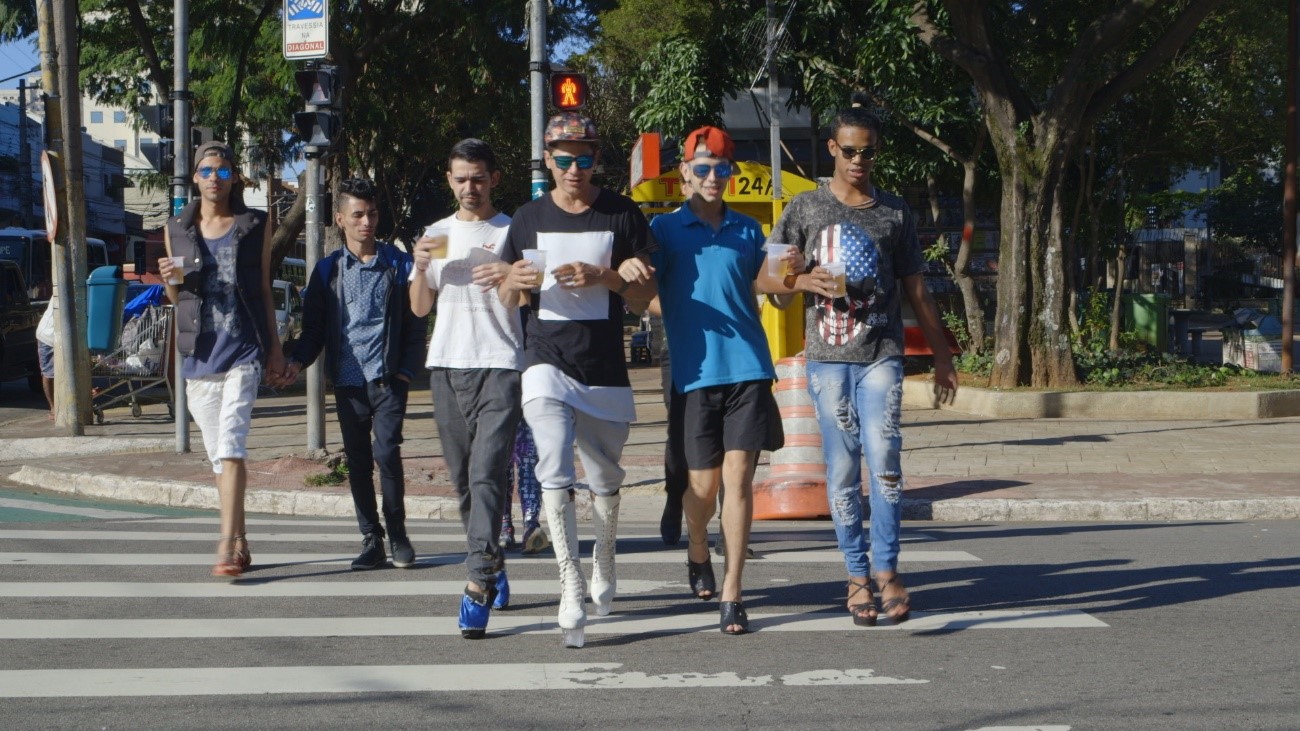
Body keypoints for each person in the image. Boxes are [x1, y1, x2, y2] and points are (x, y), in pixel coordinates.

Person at [758, 107, 958, 625]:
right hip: (826, 361)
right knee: (843, 470)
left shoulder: (894, 213)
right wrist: (798, 281)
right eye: (849, 151)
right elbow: (765, 280)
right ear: (832, 149)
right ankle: (855, 575)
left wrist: (940, 354)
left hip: (881, 353)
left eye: (868, 151)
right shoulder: (804, 209)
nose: (859, 161)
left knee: (886, 463)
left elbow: (916, 288)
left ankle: (888, 569)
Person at [498, 112, 657, 648]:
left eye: (584, 159)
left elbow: (646, 296)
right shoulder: (525, 218)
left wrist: (607, 276)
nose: (573, 169)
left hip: (606, 367)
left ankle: (604, 554)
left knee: (606, 477)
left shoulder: (621, 213)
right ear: (548, 159)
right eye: (563, 159)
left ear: (596, 160)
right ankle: (568, 580)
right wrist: (514, 281)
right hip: (544, 359)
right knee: (552, 461)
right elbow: (509, 295)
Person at [649, 126, 784, 635]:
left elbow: (775, 288)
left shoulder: (749, 231)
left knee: (739, 481)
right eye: (702, 167)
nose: (712, 177)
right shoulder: (663, 230)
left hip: (748, 366)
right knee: (702, 489)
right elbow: (642, 295)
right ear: (684, 172)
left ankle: (733, 593)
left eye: (721, 168)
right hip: (695, 373)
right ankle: (697, 546)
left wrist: (796, 282)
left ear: (731, 173)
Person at [409, 139, 523, 639]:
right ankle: (492, 561)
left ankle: (477, 584)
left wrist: (505, 273)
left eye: (477, 177)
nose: (469, 187)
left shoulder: (513, 230)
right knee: (462, 481)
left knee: (486, 475)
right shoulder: (437, 234)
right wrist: (417, 265)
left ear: (494, 177)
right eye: (460, 178)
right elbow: (419, 307)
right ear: (449, 180)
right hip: (447, 365)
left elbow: (518, 298)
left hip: (501, 363)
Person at [283, 177, 425, 571]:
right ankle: (371, 539)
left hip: (388, 378)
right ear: (341, 219)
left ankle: (398, 534)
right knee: (358, 462)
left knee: (387, 454)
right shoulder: (327, 271)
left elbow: (416, 324)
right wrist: (295, 361)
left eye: (372, 213)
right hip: (347, 382)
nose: (367, 222)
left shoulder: (399, 265)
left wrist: (407, 373)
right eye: (358, 215)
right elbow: (313, 331)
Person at [159, 141, 285, 579]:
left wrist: (275, 347)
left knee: (232, 444)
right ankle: (243, 539)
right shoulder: (176, 227)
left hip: (243, 349)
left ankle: (226, 543)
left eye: (224, 170)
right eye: (208, 170)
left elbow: (267, 288)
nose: (216, 177)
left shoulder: (255, 224)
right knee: (219, 459)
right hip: (198, 355)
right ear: (195, 177)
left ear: (235, 178)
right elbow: (177, 297)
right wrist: (170, 282)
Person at [35, 289, 58, 419]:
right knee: (49, 373)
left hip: (64, 337)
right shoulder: (60, 289)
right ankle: (53, 407)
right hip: (47, 336)